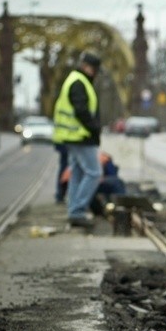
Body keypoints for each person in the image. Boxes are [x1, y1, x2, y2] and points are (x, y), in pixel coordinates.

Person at [52, 51, 103, 229]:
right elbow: (81, 111)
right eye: (95, 69)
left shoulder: (75, 79)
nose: (95, 73)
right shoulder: (79, 83)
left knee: (78, 174)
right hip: (80, 136)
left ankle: (74, 210)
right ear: (88, 67)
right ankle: (77, 210)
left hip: (73, 137)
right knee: (94, 173)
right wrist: (94, 128)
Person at [59, 151, 126, 216]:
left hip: (68, 183)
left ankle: (99, 211)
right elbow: (105, 175)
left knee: (92, 190)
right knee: (116, 182)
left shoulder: (80, 154)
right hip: (80, 182)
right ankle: (121, 208)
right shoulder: (104, 159)